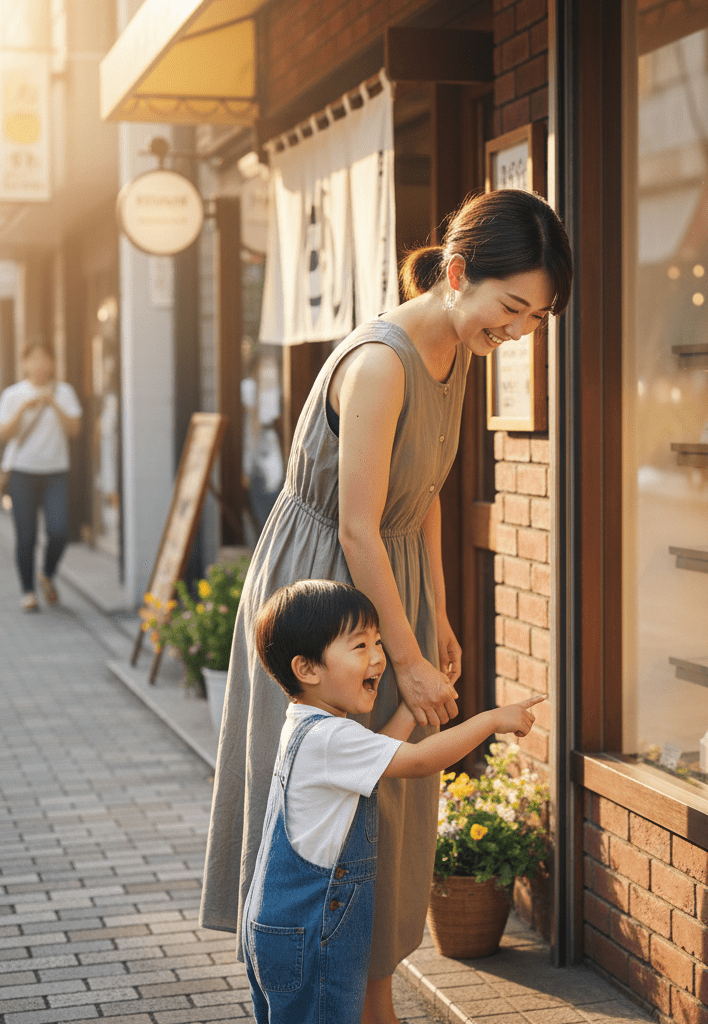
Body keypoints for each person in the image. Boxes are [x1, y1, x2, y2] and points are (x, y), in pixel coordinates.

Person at [200, 187, 573, 1024]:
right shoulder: (380, 362)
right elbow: (360, 529)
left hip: (384, 579)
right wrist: (403, 655)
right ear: (456, 272)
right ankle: (320, 988)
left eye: (533, 319)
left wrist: (434, 613)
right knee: (336, 798)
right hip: (329, 590)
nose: (515, 331)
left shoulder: (460, 349)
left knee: (394, 802)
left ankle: (370, 993)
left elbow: (425, 495)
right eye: (510, 308)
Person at [243, 578, 541, 1024]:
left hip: (280, 926)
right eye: (359, 645)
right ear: (307, 669)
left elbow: (379, 754)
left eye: (378, 642)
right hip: (310, 932)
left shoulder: (308, 724)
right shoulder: (331, 738)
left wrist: (409, 709)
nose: (378, 656)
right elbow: (419, 761)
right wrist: (491, 720)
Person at [0, 340, 82, 612]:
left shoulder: (64, 392)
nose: (39, 364)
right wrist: (24, 409)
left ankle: (46, 574)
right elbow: (4, 435)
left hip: (56, 472)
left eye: (44, 358)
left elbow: (74, 430)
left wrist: (53, 403)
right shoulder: (13, 394)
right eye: (33, 358)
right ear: (24, 363)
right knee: (26, 536)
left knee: (59, 531)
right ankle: (27, 592)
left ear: (54, 363)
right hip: (22, 472)